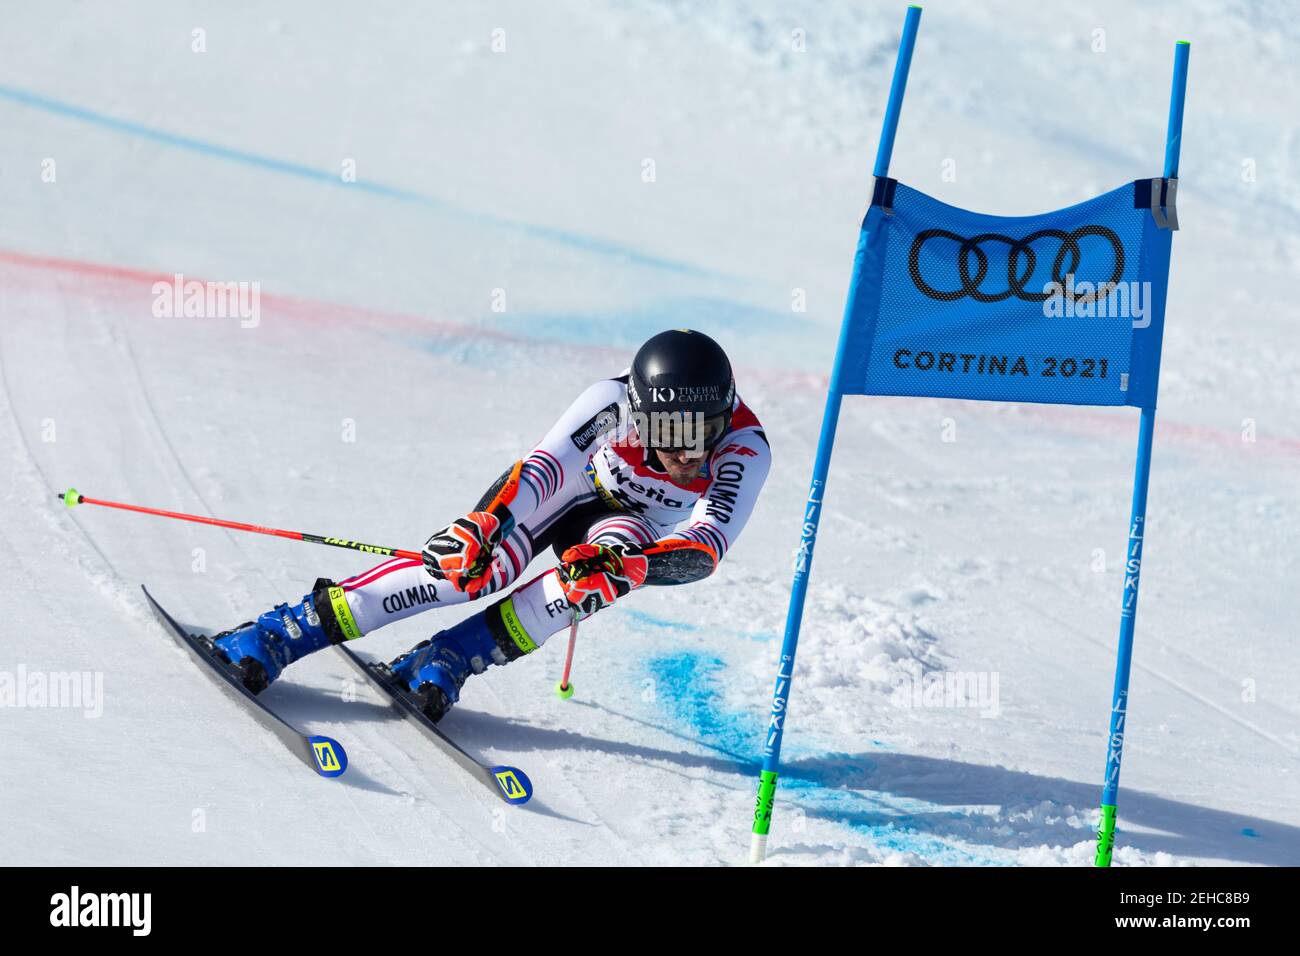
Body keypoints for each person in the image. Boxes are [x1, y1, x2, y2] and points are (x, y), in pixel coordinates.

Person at [210, 329, 771, 722]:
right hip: (570, 488)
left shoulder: (744, 447)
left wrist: (633, 565)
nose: (691, 452)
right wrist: (485, 523)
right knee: (470, 572)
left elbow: (704, 546)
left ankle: (447, 658)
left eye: (707, 428)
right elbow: (546, 467)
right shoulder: (611, 402)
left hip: (633, 525)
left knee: (590, 583)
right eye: (672, 433)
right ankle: (283, 630)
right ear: (642, 413)